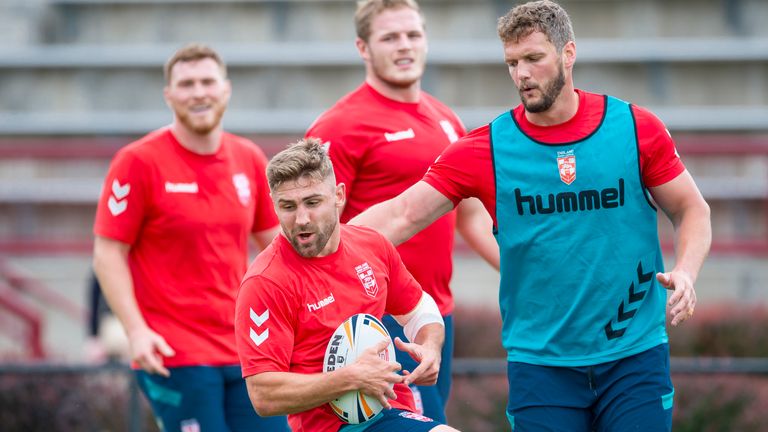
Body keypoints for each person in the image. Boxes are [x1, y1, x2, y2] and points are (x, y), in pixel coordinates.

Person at [350, 1, 712, 431]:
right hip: (540, 366)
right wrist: (304, 252)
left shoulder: (635, 128)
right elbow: (400, 215)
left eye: (534, 59)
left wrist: (687, 271)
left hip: (634, 357)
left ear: (568, 53)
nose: (521, 74)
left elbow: (692, 209)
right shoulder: (486, 147)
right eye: (512, 63)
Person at [305, 0, 499, 421]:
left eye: (413, 35)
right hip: (373, 318)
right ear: (363, 47)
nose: (404, 46)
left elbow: (468, 215)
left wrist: (517, 267)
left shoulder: (446, 118)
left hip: (432, 314)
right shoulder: (340, 125)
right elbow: (316, 229)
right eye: (390, 37)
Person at [92, 43, 289, 432]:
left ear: (226, 89)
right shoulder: (138, 162)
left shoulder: (248, 158)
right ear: (169, 95)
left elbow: (279, 248)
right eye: (186, 84)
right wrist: (136, 331)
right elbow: (108, 253)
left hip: (246, 346)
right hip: (173, 353)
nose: (199, 92)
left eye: (207, 81)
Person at [234, 138, 462, 432]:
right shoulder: (265, 283)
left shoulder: (372, 245)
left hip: (392, 408)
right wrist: (351, 378)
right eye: (287, 206)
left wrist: (430, 345)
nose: (301, 219)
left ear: (338, 195)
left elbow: (418, 308)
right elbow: (263, 395)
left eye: (313, 202)